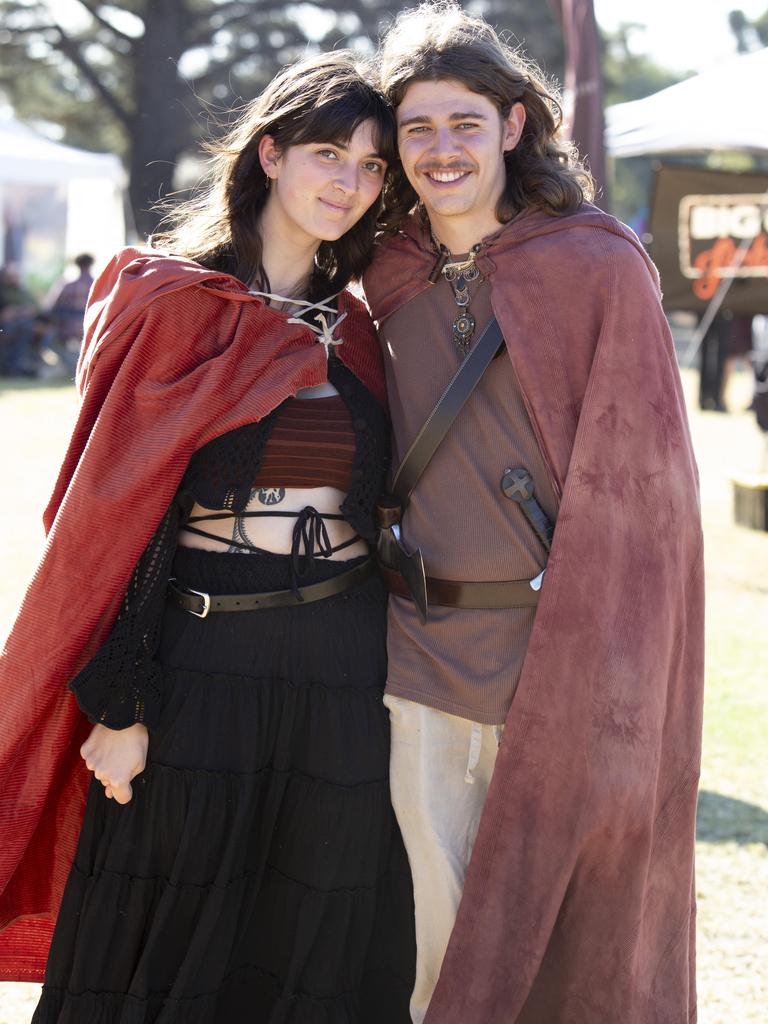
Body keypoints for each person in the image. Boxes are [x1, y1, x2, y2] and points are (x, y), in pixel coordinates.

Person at [0, 51, 415, 1022]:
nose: (348, 181)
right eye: (328, 152)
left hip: (341, 675)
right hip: (199, 667)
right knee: (165, 952)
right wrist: (121, 700)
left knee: (307, 946)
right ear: (270, 153)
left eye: (370, 167)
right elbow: (112, 521)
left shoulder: (359, 330)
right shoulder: (172, 303)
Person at [363, 3, 704, 1023]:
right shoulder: (380, 271)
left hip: (558, 659)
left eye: (463, 123)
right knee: (439, 942)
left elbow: (650, 498)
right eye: (417, 128)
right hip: (418, 649)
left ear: (514, 124)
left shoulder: (596, 266)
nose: (440, 149)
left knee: (561, 940)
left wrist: (626, 666)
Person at [46, 253, 95, 376]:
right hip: (91, 326)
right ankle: (85, 370)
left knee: (51, 341)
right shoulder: (98, 284)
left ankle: (73, 368)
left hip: (67, 327)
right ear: (91, 265)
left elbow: (52, 306)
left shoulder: (66, 284)